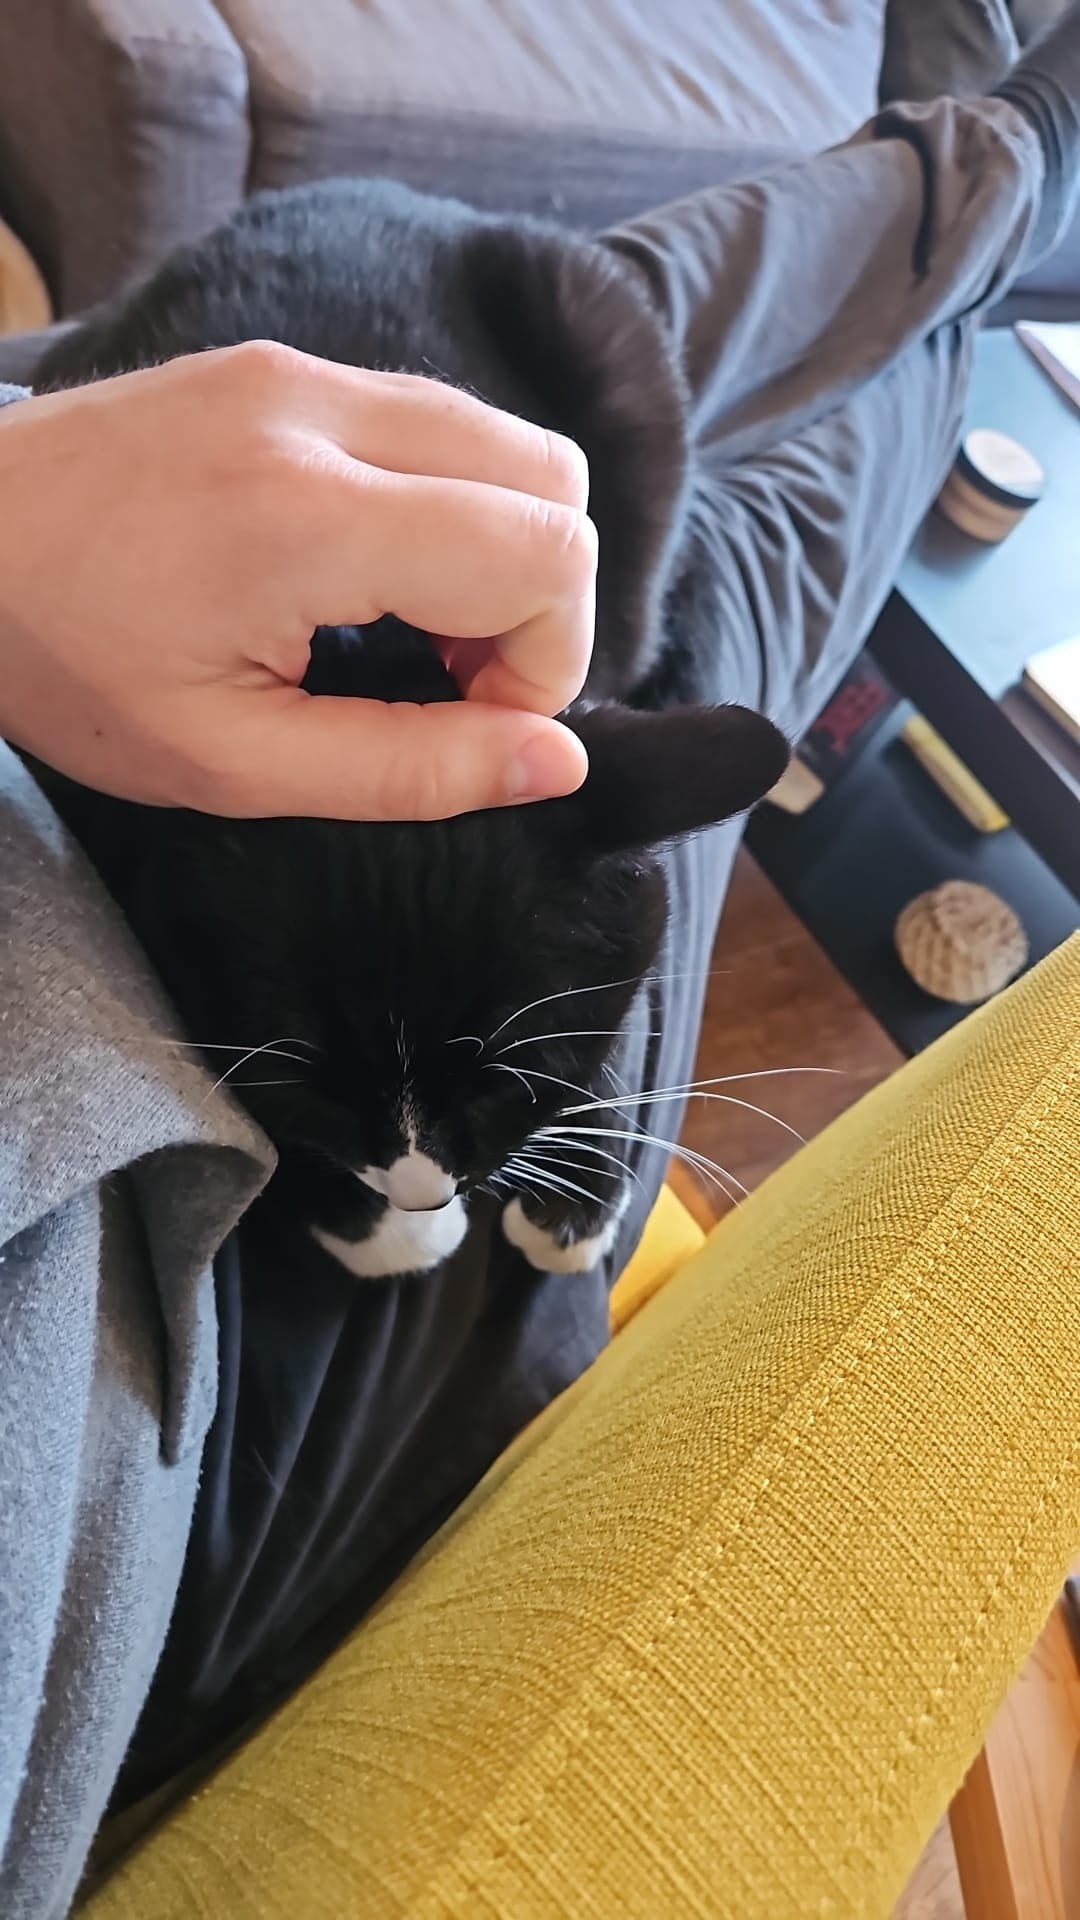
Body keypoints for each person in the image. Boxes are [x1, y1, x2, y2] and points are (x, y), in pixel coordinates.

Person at [3, 8, 1080, 1911]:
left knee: (652, 350)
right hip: (213, 1448)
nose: (421, 1175)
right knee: (814, 418)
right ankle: (997, 165)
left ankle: (975, 154)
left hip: (208, 509)